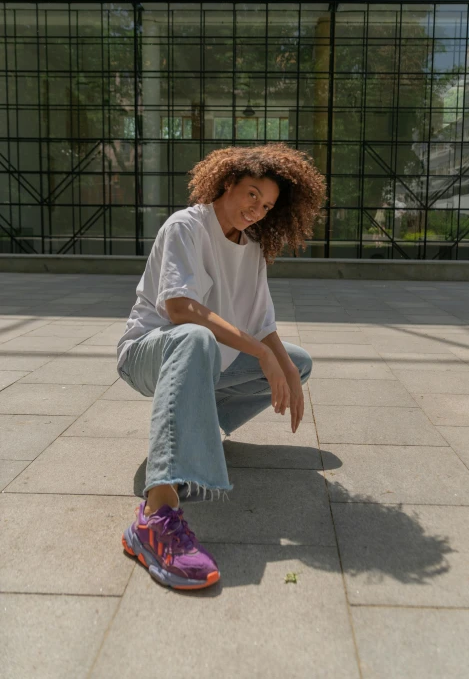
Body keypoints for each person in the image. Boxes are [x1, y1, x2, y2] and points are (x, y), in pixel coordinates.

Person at [116, 144, 325, 591]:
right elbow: (179, 307)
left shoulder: (251, 248)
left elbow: (262, 323)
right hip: (149, 352)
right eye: (252, 194)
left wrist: (283, 365)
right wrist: (262, 354)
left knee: (299, 363)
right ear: (227, 182)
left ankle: (199, 432)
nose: (257, 210)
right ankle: (155, 516)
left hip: (203, 357)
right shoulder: (186, 226)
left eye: (267, 205)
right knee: (197, 337)